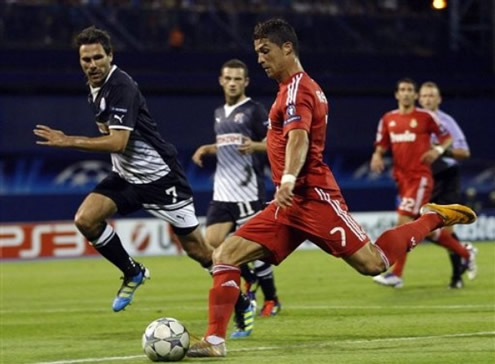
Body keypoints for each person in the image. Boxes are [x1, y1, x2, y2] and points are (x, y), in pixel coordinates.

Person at [186, 18, 477, 358]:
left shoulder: (298, 90)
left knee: (373, 263)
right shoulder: (290, 90)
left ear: (287, 48)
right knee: (225, 254)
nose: (260, 59)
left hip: (313, 197)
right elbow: (286, 138)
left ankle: (432, 218)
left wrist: (290, 178)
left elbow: (299, 137)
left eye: (265, 51)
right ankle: (215, 341)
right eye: (258, 53)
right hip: (288, 204)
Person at [33, 26, 213, 312]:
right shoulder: (94, 88)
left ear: (110, 56)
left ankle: (240, 301)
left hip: (160, 179)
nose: (92, 65)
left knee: (199, 252)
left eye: (97, 58)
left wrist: (68, 141)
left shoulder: (121, 87)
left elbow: (118, 142)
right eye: (86, 60)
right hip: (127, 177)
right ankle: (133, 272)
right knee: (86, 220)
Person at [192, 59, 281, 338]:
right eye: (228, 78)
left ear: (245, 82)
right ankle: (250, 282)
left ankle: (271, 299)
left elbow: (276, 144)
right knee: (213, 244)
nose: (232, 82)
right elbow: (228, 145)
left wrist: (254, 146)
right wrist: (208, 148)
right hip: (222, 192)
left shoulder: (254, 110)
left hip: (248, 192)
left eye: (237, 78)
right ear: (221, 80)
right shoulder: (219, 112)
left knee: (256, 250)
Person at [370, 78, 476, 289]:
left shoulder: (428, 118)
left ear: (415, 95)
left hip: (422, 178)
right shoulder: (388, 119)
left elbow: (448, 140)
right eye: (403, 90)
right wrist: (377, 155)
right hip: (402, 179)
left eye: (411, 90)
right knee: (426, 229)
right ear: (397, 94)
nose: (407, 93)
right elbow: (381, 144)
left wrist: (437, 150)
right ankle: (465, 252)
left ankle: (397, 275)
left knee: (404, 223)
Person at [419, 81, 476, 289]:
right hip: (424, 177)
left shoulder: (447, 122)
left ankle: (456, 277)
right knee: (426, 227)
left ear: (439, 99)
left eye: (431, 96)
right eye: (424, 96)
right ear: (419, 98)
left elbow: (465, 152)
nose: (427, 99)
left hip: (447, 176)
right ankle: (465, 251)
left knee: (446, 227)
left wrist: (442, 150)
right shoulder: (414, 121)